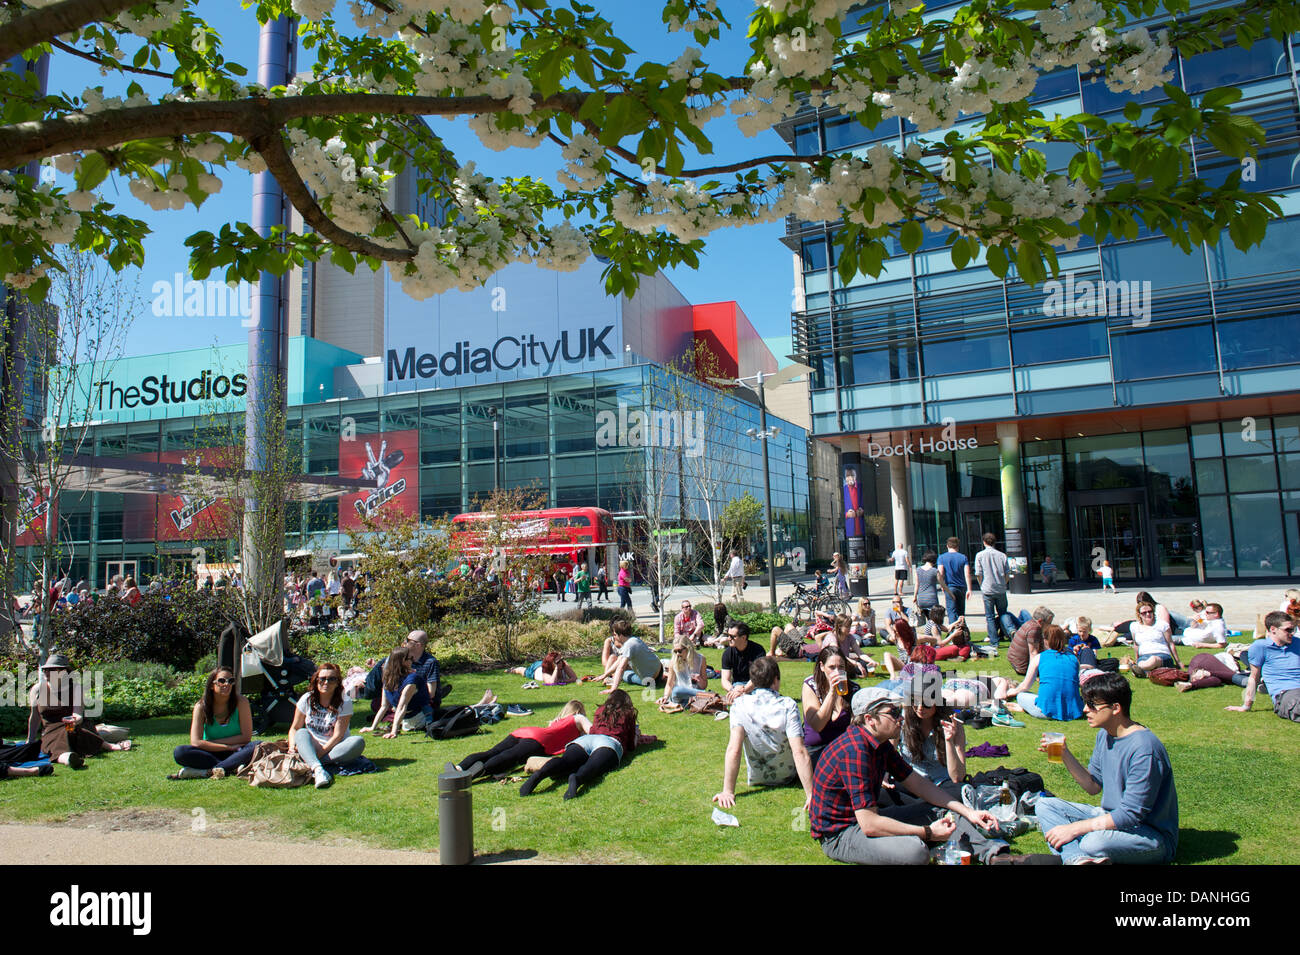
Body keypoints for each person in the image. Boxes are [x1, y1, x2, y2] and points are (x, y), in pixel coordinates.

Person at [808, 687, 1001, 865]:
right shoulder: (855, 751)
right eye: (893, 713)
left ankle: (996, 855)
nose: (901, 718)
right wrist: (928, 832)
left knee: (944, 813)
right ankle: (935, 844)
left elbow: (919, 785)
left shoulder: (880, 743)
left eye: (899, 711)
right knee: (916, 852)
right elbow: (869, 824)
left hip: (868, 818)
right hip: (841, 834)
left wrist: (969, 812)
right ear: (870, 719)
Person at [1034, 672, 1179, 864]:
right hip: (1111, 818)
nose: (1085, 710)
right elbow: (1093, 786)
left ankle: (1077, 854)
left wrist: (1075, 829)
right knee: (1044, 805)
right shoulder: (1105, 735)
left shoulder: (1145, 749)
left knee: (1092, 842)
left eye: (1093, 705)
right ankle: (1078, 860)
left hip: (1149, 835)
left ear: (1116, 708)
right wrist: (1064, 755)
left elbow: (1131, 814)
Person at [713, 656, 814, 808]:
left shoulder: (739, 705)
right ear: (775, 680)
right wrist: (811, 794)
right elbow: (799, 751)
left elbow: (734, 749)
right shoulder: (788, 705)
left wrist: (727, 791)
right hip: (788, 775)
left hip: (758, 777)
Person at [519, 689, 651, 799]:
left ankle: (540, 774)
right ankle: (577, 779)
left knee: (565, 761)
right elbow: (631, 746)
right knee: (593, 765)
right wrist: (637, 735)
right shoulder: (628, 713)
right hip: (609, 742)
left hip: (587, 740)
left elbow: (593, 729)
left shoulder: (601, 710)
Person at [28, 654, 133, 765]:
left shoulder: (76, 688)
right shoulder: (37, 689)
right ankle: (69, 759)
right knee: (57, 740)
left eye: (52, 669)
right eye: (45, 669)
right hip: (51, 731)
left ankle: (110, 746)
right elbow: (34, 717)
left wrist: (74, 720)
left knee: (71, 730)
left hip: (74, 727)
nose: (46, 672)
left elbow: (78, 715)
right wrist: (30, 740)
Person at [456, 701, 592, 779]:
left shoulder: (556, 722)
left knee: (492, 752)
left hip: (524, 731)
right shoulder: (578, 718)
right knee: (509, 757)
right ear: (578, 711)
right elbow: (593, 731)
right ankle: (479, 771)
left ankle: (460, 767)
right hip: (540, 740)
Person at [170, 667, 257, 779]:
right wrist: (227, 747)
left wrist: (212, 743)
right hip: (211, 752)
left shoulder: (241, 702)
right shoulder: (201, 707)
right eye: (221, 681)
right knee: (180, 752)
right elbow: (196, 742)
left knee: (257, 745)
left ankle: (207, 771)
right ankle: (232, 767)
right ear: (211, 685)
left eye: (230, 681)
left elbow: (246, 737)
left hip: (237, 751)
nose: (227, 684)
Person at [289, 663, 365, 788]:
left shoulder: (344, 701)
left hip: (334, 748)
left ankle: (311, 763)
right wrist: (292, 746)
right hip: (311, 745)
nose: (326, 682)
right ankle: (318, 769)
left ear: (337, 683)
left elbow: (338, 736)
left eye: (331, 679)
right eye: (322, 679)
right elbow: (295, 727)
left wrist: (319, 755)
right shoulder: (307, 699)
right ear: (316, 680)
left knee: (358, 741)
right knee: (301, 733)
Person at [1226, 610, 1299, 722]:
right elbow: (1254, 677)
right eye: (1288, 630)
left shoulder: (1297, 643)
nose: (1292, 633)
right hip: (1286, 694)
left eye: (1293, 629)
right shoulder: (1261, 647)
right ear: (1273, 629)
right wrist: (1246, 706)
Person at [1010, 625, 1084, 721]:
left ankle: (1025, 708)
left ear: (1045, 640)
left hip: (1045, 711)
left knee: (1021, 695)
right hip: (1074, 711)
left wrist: (1010, 693)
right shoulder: (1074, 659)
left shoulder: (1039, 657)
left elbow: (1025, 686)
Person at [802, 646, 859, 764]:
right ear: (822, 666)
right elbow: (818, 725)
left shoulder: (853, 689)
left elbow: (856, 729)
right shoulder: (811, 686)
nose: (837, 673)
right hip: (816, 750)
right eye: (832, 668)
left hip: (843, 749)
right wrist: (832, 693)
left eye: (841, 667)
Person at [360, 646, 433, 738]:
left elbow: (402, 707)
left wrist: (394, 731)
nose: (413, 660)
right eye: (410, 658)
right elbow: (384, 706)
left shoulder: (412, 679)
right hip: (408, 719)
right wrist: (372, 727)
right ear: (402, 661)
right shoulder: (388, 679)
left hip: (419, 717)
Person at [596, 622, 665, 691]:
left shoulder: (629, 645)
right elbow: (619, 661)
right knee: (622, 667)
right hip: (659, 669)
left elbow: (621, 668)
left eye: (614, 634)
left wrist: (613, 688)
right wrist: (605, 675)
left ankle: (664, 678)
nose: (613, 637)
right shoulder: (635, 639)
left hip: (650, 679)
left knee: (625, 675)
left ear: (620, 635)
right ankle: (664, 677)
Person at [974, 532, 1011, 652]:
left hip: (987, 589)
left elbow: (978, 574)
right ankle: (1010, 631)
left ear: (984, 542)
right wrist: (1003, 584)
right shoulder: (1002, 555)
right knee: (1003, 613)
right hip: (1000, 588)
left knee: (989, 616)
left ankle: (994, 641)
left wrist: (982, 585)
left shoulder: (980, 555)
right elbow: (1007, 573)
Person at [1130, 602, 1182, 677]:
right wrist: (1136, 659)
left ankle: (1141, 670)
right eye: (1144, 613)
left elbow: (1170, 643)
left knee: (1153, 660)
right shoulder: (1134, 626)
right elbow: (1136, 645)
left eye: (1150, 611)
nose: (1148, 614)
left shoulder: (1162, 625)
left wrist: (1178, 662)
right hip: (1144, 656)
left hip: (1162, 655)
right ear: (1139, 615)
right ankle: (1144, 670)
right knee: (1143, 662)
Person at [721, 620, 766, 703]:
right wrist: (732, 690)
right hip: (737, 685)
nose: (729, 639)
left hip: (756, 685)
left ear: (743, 637)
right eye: (728, 635)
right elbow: (724, 680)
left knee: (761, 697)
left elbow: (757, 677)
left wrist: (744, 690)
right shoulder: (727, 653)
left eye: (732, 636)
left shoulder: (758, 651)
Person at [660, 636, 708, 705]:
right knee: (677, 690)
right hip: (680, 696)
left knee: (691, 694)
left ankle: (691, 702)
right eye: (675, 651)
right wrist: (665, 697)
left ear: (688, 648)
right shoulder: (673, 662)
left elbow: (704, 686)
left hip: (695, 695)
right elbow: (669, 684)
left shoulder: (701, 659)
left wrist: (699, 679)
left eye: (679, 651)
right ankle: (707, 695)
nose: (677, 654)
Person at [1008, 606, 1054, 676]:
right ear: (1040, 621)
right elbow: (1033, 653)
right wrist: (1033, 675)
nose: (1050, 626)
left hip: (1014, 660)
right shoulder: (1034, 630)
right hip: (1022, 667)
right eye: (1049, 623)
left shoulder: (1029, 623)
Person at [937, 537, 972, 624]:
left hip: (949, 587)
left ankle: (953, 632)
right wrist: (969, 589)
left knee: (951, 611)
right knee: (961, 612)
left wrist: (942, 585)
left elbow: (940, 573)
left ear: (947, 546)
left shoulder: (942, 557)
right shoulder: (963, 557)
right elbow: (967, 574)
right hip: (961, 587)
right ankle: (962, 632)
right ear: (957, 546)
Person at [510, 650, 578, 686]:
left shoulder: (563, 664)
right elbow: (551, 683)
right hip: (536, 669)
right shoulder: (545, 670)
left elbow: (574, 678)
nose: (561, 661)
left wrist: (562, 681)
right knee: (524, 671)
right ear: (553, 663)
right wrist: (557, 668)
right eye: (558, 661)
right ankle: (513, 669)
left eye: (561, 659)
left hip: (546, 664)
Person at [912, 551, 947, 617]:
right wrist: (951, 594)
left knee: (928, 619)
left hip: (921, 599)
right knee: (934, 620)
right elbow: (943, 585)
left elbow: (917, 584)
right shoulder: (935, 571)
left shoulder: (918, 570)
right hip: (932, 599)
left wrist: (914, 597)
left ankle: (928, 627)